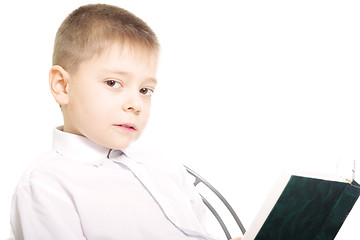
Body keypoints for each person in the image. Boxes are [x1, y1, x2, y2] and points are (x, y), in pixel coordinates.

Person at [10, 4, 241, 240]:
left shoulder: (164, 166)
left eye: (145, 90)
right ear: (62, 86)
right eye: (113, 83)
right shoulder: (45, 187)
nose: (136, 104)